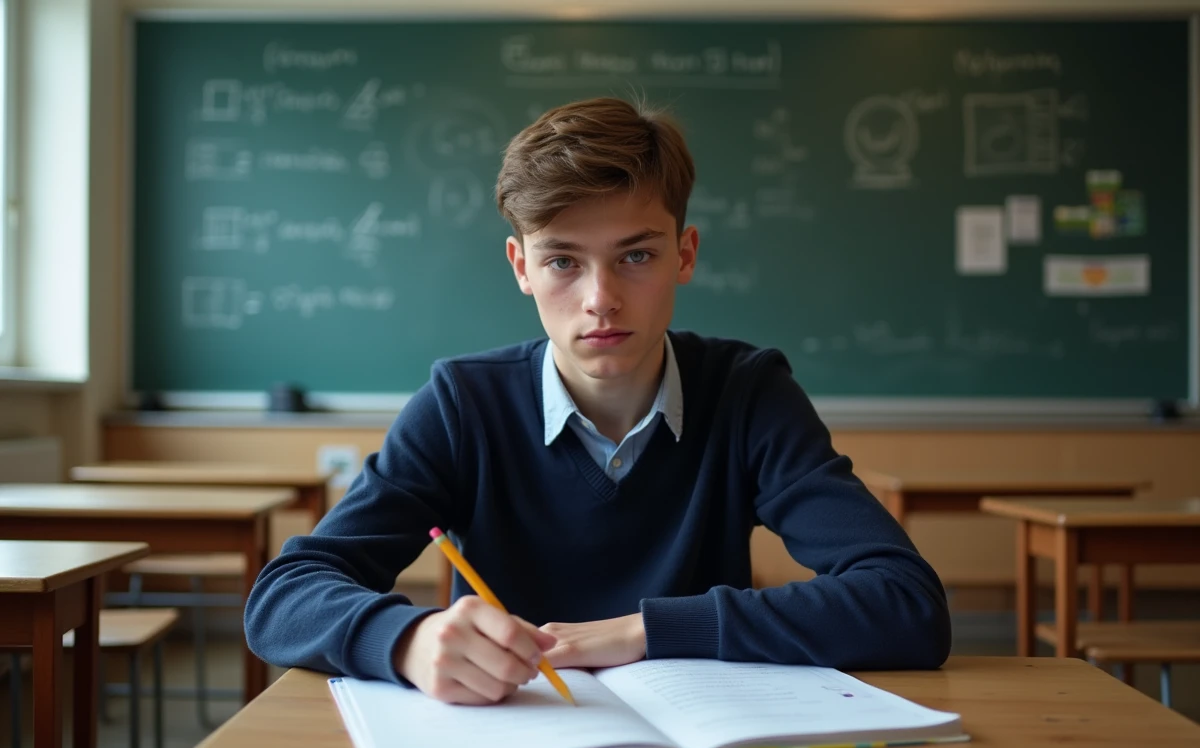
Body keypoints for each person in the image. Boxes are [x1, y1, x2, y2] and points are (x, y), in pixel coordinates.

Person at [245, 96, 951, 706]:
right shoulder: (465, 404)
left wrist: (641, 632)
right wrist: (405, 639)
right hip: (509, 746)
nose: (601, 299)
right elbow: (283, 596)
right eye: (562, 261)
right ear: (521, 266)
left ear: (685, 253)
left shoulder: (747, 394)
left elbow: (907, 602)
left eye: (636, 255)